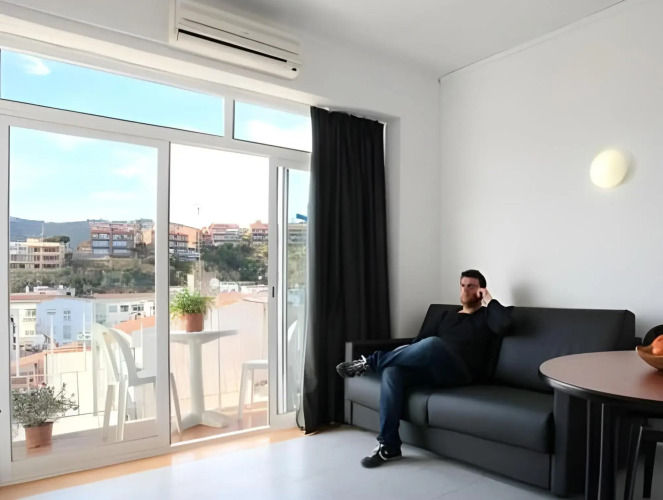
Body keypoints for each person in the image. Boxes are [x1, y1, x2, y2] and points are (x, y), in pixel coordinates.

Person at [336, 269, 513, 468]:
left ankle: (370, 362)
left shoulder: (487, 316)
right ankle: (389, 446)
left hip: (461, 372)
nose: (464, 290)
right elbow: (419, 342)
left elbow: (504, 325)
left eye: (471, 286)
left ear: (481, 290)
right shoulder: (446, 315)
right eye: (462, 285)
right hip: (433, 369)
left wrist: (489, 299)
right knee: (392, 372)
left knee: (434, 344)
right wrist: (402, 356)